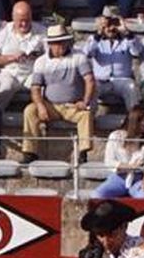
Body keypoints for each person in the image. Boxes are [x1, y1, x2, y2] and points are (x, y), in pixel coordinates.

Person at [21, 24, 94, 165]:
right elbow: (35, 88)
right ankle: (30, 152)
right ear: (50, 44)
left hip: (73, 105)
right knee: (30, 110)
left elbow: (89, 80)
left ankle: (83, 153)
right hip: (50, 106)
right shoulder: (41, 62)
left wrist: (85, 101)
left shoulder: (79, 57)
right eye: (57, 42)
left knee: (85, 114)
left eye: (63, 41)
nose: (61, 45)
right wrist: (41, 106)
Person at [83, 8, 139, 114]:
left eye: (114, 24)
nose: (111, 28)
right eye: (108, 25)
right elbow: (86, 53)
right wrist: (99, 33)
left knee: (132, 87)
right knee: (91, 88)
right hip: (100, 80)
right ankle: (89, 120)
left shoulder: (127, 39)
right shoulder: (95, 39)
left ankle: (134, 121)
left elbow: (137, 52)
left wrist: (126, 32)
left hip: (122, 80)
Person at [93, 105, 144, 197]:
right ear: (135, 121)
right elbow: (109, 161)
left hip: (139, 178)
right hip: (119, 177)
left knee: (143, 196)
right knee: (97, 195)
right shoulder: (116, 136)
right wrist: (130, 166)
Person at [0, 1, 44, 111]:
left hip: (32, 72)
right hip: (9, 72)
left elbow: (50, 57)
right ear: (13, 18)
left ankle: (40, 116)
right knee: (6, 86)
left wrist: (36, 56)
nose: (24, 24)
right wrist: (12, 58)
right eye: (21, 21)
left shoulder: (42, 31)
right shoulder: (3, 32)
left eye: (27, 20)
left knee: (42, 88)